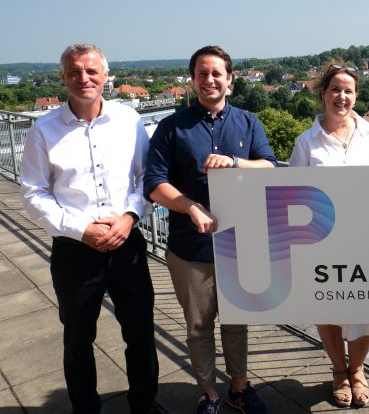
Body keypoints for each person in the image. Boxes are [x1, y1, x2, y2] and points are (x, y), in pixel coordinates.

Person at [20, 43, 161, 414]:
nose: (84, 78)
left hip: (127, 243)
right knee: (78, 339)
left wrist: (130, 217)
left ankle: (144, 406)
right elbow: (33, 194)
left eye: (92, 71)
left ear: (105, 75)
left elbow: (146, 178)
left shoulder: (129, 121)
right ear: (63, 77)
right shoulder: (43, 130)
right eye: (74, 72)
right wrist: (82, 229)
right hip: (74, 251)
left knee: (141, 335)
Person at [144, 45, 277, 414]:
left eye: (217, 73)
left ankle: (238, 387)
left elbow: (270, 168)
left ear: (230, 79)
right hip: (190, 246)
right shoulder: (172, 127)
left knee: (237, 322)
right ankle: (208, 393)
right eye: (202, 73)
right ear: (193, 79)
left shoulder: (248, 122)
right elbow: (154, 183)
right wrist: (191, 208)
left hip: (240, 242)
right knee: (199, 326)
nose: (209, 80)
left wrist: (236, 162)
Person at [289, 61, 369, 408]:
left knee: (366, 308)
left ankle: (358, 370)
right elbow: (293, 194)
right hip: (322, 240)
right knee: (328, 307)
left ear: (356, 95)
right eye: (335, 89)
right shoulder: (306, 142)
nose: (342, 96)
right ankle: (338, 370)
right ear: (323, 93)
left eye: (348, 90)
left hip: (366, 238)